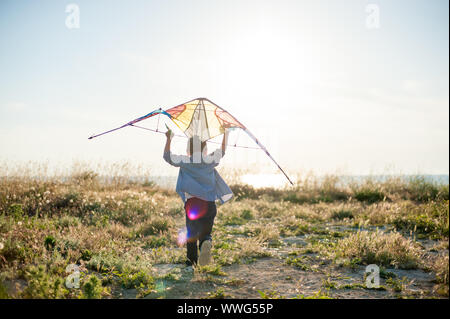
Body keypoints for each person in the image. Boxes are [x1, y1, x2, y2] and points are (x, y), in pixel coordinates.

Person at [163, 129, 232, 267]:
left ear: (188, 149)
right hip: (210, 204)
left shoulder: (185, 160)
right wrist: (225, 134)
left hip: (193, 204)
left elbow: (167, 156)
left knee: (192, 234)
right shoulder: (210, 160)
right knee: (206, 232)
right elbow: (222, 151)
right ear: (205, 149)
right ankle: (206, 242)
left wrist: (169, 138)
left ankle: (191, 262)